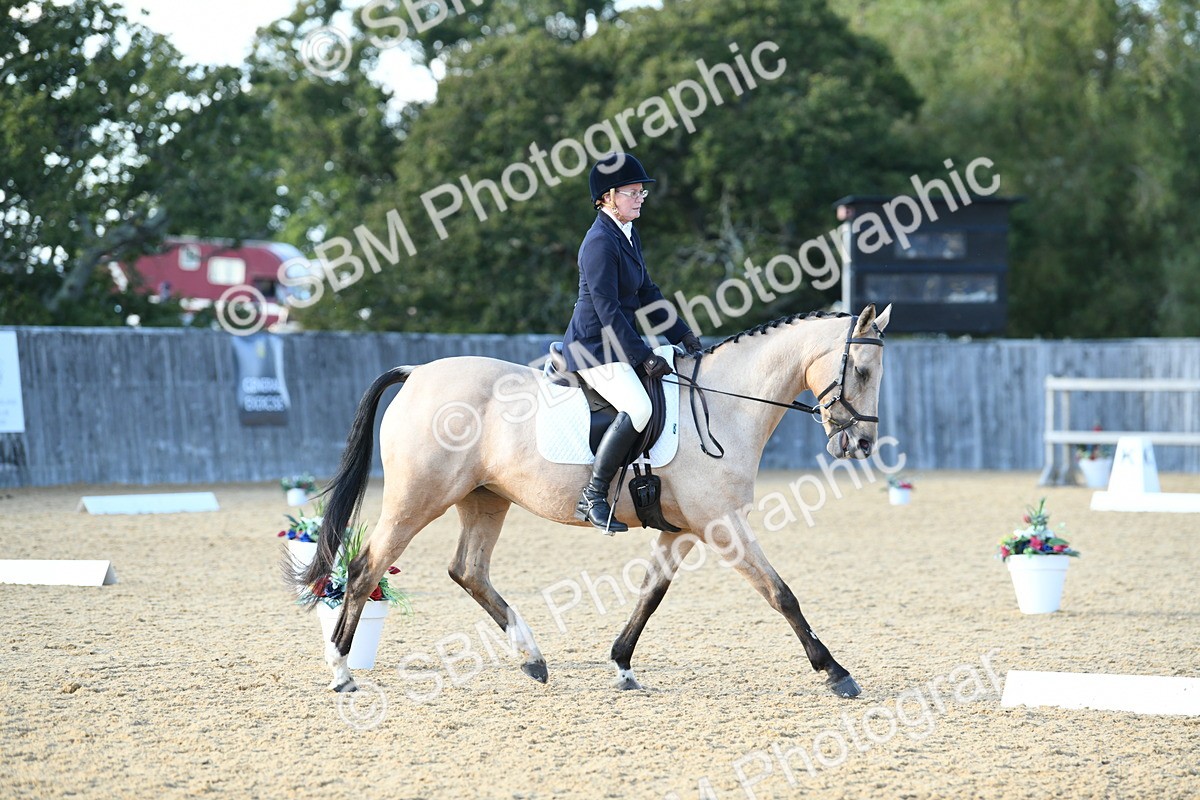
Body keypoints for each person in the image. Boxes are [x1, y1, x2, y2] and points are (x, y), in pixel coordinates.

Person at [561, 152, 703, 533]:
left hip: (614, 341)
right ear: (607, 197)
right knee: (639, 407)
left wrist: (683, 335)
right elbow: (608, 312)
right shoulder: (598, 242)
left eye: (642, 192)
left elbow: (648, 293)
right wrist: (642, 356)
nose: (640, 198)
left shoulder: (627, 233)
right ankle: (593, 494)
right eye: (632, 192)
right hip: (592, 346)